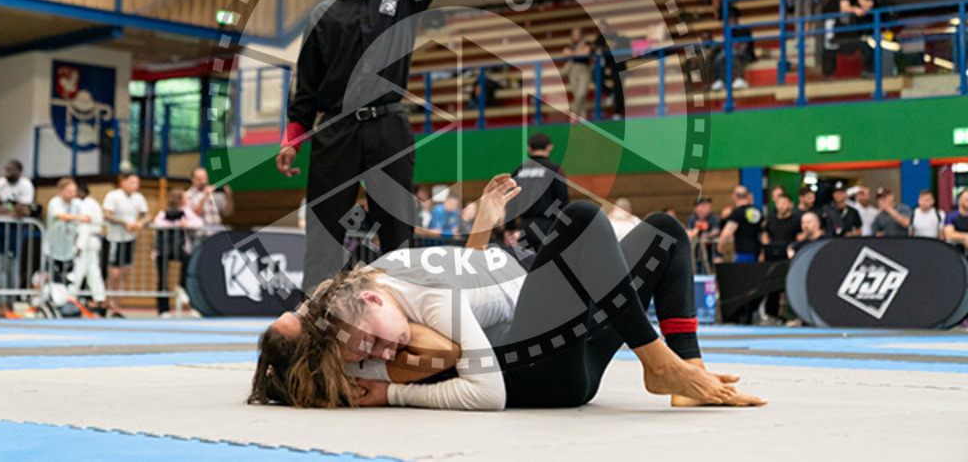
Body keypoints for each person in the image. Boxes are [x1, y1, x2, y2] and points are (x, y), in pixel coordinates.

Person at [249, 175, 765, 410]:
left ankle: (688, 372)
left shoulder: (380, 283)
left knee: (664, 233)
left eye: (309, 306)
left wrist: (485, 226)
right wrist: (392, 393)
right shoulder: (358, 349)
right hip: (534, 366)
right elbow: (463, 344)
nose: (308, 305)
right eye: (306, 315)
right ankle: (658, 361)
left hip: (565, 347)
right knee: (582, 220)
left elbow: (464, 276)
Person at [275, 0, 459, 295]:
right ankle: (314, 316)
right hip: (334, 130)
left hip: (388, 126)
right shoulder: (322, 13)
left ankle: (401, 310)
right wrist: (292, 139)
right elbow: (307, 87)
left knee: (397, 228)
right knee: (323, 228)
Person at [503, 133, 570, 253]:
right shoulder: (554, 169)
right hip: (548, 226)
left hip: (524, 227)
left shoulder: (518, 170)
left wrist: (509, 228)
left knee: (526, 262)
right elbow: (562, 201)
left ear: (529, 148)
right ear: (549, 147)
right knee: (549, 261)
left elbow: (511, 201)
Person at [0, 159, 35, 317]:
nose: (7, 174)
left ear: (19, 172)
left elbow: (22, 210)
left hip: (16, 229)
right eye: (6, 170)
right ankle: (1, 304)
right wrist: (10, 211)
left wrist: (4, 211)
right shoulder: (0, 183)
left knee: (12, 266)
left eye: (10, 171)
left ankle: (11, 303)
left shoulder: (25, 185)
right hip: (1, 228)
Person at [102, 173, 149, 316]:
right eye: (132, 182)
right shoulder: (113, 195)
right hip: (115, 238)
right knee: (114, 272)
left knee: (125, 271)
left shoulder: (138, 198)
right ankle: (108, 298)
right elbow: (107, 215)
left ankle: (117, 299)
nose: (135, 185)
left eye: (137, 183)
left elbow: (147, 215)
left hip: (130, 239)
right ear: (123, 182)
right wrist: (124, 223)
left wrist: (140, 222)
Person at [152, 189, 203, 316]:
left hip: (180, 248)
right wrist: (174, 223)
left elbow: (199, 222)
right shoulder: (163, 213)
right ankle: (163, 309)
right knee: (162, 279)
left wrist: (186, 224)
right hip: (163, 250)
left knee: (187, 268)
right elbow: (157, 223)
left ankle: (182, 287)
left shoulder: (186, 213)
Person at [761, 192, 800, 323]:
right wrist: (766, 247)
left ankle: (793, 313)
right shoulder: (771, 219)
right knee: (772, 286)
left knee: (790, 285)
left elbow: (800, 236)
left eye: (784, 203)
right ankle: (771, 313)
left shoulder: (796, 220)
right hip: (772, 256)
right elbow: (765, 233)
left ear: (791, 205)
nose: (781, 206)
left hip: (789, 256)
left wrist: (794, 247)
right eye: (778, 203)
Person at [68, 183, 106, 310]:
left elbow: (85, 225)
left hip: (85, 241)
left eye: (76, 193)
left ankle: (71, 297)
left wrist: (79, 246)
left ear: (82, 193)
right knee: (93, 271)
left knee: (78, 270)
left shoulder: (85, 204)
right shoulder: (93, 203)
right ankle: (99, 298)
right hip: (92, 241)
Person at [44, 178, 88, 285]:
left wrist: (79, 245)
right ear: (61, 191)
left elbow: (86, 218)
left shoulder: (77, 204)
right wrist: (79, 217)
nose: (73, 194)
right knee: (53, 280)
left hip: (69, 250)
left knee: (69, 280)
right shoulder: (55, 202)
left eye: (74, 191)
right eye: (69, 191)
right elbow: (60, 216)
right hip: (52, 249)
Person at [838, 0, 877, 77]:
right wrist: (855, 9)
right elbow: (844, 7)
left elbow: (868, 5)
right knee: (863, 48)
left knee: (872, 49)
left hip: (872, 25)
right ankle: (868, 71)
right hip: (857, 27)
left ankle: (873, 71)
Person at [711, 8, 753, 91]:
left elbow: (744, 47)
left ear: (735, 20)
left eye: (730, 20)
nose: (728, 22)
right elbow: (726, 45)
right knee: (719, 58)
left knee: (733, 57)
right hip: (731, 53)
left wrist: (735, 51)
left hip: (745, 54)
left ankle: (741, 79)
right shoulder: (727, 31)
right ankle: (720, 81)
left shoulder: (744, 30)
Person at [718, 186, 762, 263]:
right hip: (757, 252)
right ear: (748, 196)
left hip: (742, 252)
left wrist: (720, 247)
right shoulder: (758, 211)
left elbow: (727, 233)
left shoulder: (737, 213)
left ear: (734, 197)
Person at [593, 21, 627, 119]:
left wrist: (604, 49)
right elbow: (593, 48)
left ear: (608, 28)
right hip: (606, 67)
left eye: (604, 28)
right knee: (595, 77)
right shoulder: (599, 38)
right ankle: (610, 93)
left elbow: (614, 46)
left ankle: (618, 112)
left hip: (618, 66)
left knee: (618, 84)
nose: (602, 30)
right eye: (600, 29)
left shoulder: (615, 36)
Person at [562, 27, 593, 119]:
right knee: (576, 94)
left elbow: (586, 52)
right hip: (573, 71)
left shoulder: (587, 44)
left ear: (581, 35)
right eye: (574, 34)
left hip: (584, 70)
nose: (575, 36)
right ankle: (583, 116)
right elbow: (564, 53)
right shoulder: (570, 46)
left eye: (577, 34)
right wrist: (578, 53)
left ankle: (574, 113)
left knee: (581, 93)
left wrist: (573, 53)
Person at [685, 197, 721, 275]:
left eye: (708, 205)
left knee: (714, 264)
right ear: (697, 208)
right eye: (704, 205)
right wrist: (696, 230)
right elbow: (689, 232)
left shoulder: (713, 217)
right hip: (696, 250)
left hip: (711, 249)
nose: (707, 207)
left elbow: (716, 230)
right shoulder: (692, 218)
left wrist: (707, 235)